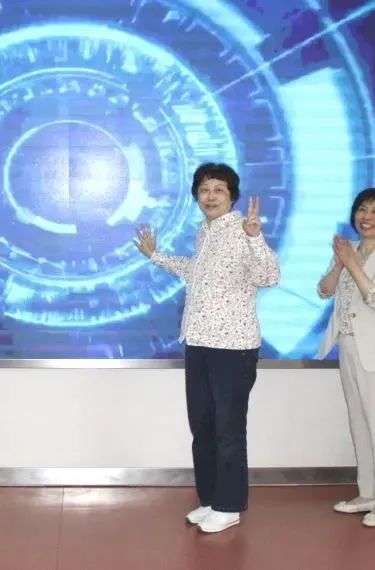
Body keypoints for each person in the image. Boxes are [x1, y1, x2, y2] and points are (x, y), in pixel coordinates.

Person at [134, 162, 280, 533]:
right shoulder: (205, 232)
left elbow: (269, 276)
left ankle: (229, 506)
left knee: (228, 431)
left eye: (218, 189)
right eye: (204, 189)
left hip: (232, 347)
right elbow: (194, 272)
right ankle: (211, 499)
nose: (210, 196)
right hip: (198, 342)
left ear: (232, 196)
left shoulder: (243, 230)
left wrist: (255, 238)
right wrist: (155, 256)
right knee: (202, 427)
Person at [317, 188, 375, 527]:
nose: (367, 217)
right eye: (362, 209)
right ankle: (367, 492)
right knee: (359, 423)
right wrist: (341, 263)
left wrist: (353, 264)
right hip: (349, 348)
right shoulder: (347, 249)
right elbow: (324, 290)